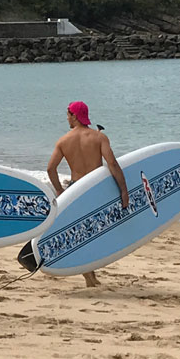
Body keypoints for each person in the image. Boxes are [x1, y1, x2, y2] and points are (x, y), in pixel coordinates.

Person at [46, 101, 130, 287]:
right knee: (97, 233)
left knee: (82, 233)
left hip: (76, 190)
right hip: (96, 189)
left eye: (68, 115)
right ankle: (90, 276)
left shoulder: (63, 141)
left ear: (75, 116)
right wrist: (123, 190)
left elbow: (51, 169)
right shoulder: (99, 137)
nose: (67, 118)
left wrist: (59, 190)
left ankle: (89, 276)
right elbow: (112, 164)